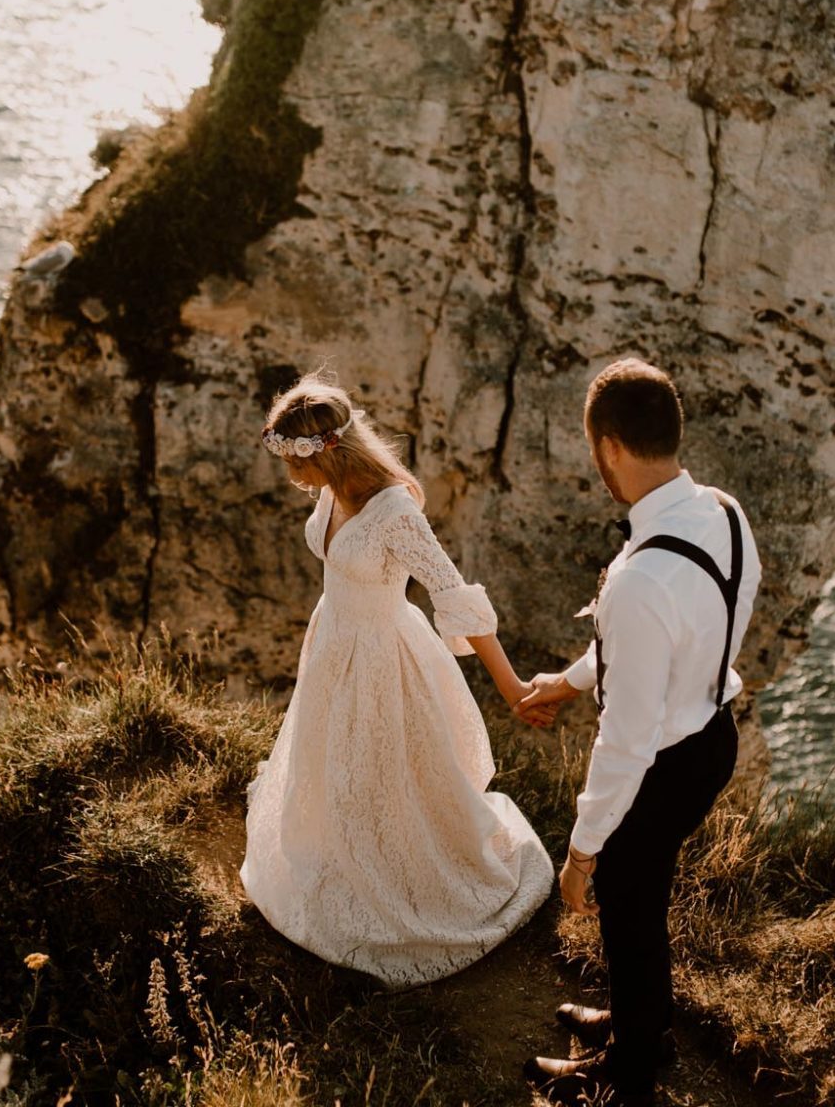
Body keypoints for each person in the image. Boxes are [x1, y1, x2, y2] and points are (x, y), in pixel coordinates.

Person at [237, 372, 554, 987]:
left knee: (376, 772)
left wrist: (512, 687)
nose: (289, 476)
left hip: (382, 655)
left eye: (291, 460)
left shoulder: (394, 510)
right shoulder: (332, 487)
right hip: (333, 641)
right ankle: (342, 861)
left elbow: (452, 594)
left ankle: (398, 886)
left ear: (324, 448)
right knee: (332, 764)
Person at [513, 358, 762, 1106]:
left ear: (611, 447)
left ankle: (628, 1079)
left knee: (626, 900)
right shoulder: (723, 511)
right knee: (643, 898)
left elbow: (625, 740)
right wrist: (569, 677)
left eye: (596, 452)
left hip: (662, 762)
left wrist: (581, 853)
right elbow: (675, 636)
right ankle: (638, 1028)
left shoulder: (639, 579)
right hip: (715, 735)